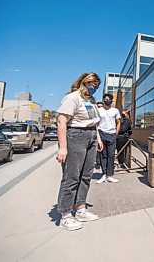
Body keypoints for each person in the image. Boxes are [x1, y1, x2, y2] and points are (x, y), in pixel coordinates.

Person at [55, 72, 103, 231]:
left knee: (86, 175)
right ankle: (65, 215)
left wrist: (98, 138)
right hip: (76, 135)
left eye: (97, 85)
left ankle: (80, 208)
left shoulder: (92, 99)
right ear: (83, 82)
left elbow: (94, 122)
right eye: (91, 83)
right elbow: (62, 122)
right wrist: (63, 147)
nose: (94, 87)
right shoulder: (73, 98)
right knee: (72, 176)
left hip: (91, 136)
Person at [96, 93, 121, 183]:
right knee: (103, 155)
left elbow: (118, 122)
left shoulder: (115, 110)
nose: (107, 101)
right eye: (106, 99)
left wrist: (116, 133)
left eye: (109, 99)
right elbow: (96, 123)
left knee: (111, 155)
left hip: (112, 134)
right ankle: (103, 175)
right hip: (101, 133)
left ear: (111, 101)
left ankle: (110, 175)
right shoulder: (99, 110)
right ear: (103, 100)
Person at [94, 102, 105, 169]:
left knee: (103, 148)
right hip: (95, 132)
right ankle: (98, 162)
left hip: (103, 132)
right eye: (98, 106)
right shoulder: (94, 114)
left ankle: (102, 163)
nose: (100, 107)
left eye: (101, 106)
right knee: (97, 149)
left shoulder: (104, 114)